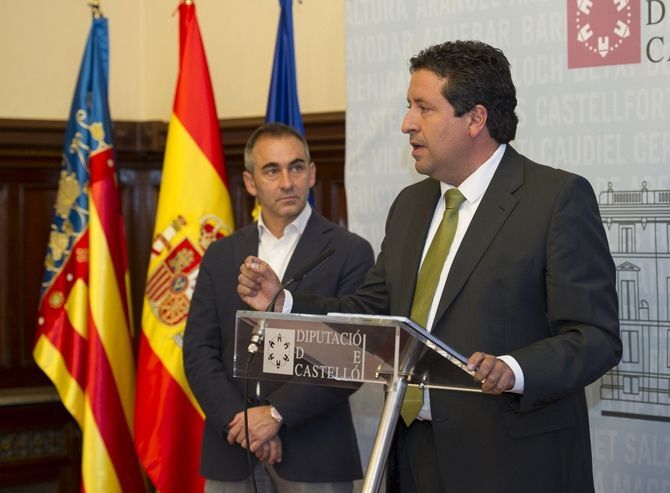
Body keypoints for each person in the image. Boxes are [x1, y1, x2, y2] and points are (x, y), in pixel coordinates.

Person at [238, 41, 622, 493]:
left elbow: (594, 337)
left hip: (512, 462)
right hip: (413, 454)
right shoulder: (410, 205)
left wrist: (514, 369)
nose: (407, 123)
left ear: (475, 119)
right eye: (409, 106)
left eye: (423, 108)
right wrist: (284, 302)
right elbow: (373, 313)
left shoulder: (555, 199)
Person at [183, 122, 375, 493]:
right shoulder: (221, 255)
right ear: (250, 182)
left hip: (315, 450)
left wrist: (276, 414)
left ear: (312, 174)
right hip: (232, 450)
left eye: (296, 167)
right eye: (272, 171)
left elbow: (352, 353)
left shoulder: (350, 251)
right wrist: (241, 421)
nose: (287, 182)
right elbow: (198, 350)